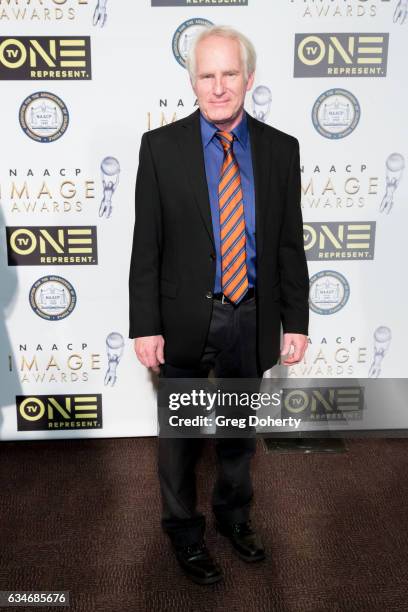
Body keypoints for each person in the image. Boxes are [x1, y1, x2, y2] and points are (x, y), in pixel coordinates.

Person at [128, 25, 309, 585]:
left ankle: (234, 518)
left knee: (236, 435)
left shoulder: (282, 149)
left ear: (248, 78)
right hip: (185, 319)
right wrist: (145, 325)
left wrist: (296, 321)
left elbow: (287, 243)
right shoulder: (160, 148)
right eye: (207, 75)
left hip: (252, 316)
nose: (219, 86)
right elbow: (147, 244)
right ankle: (184, 533)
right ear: (193, 82)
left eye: (229, 73)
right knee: (179, 440)